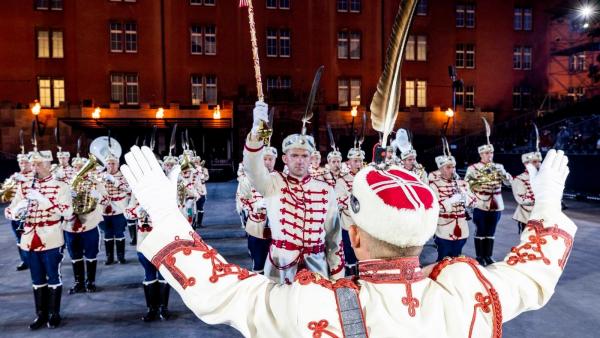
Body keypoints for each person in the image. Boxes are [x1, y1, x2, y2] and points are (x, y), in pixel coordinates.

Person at [123, 146, 575, 338]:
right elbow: (533, 273)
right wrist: (548, 211)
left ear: (353, 235)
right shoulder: (472, 295)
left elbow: (222, 293)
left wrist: (166, 215)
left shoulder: (318, 308)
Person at [239, 101, 344, 283]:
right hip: (280, 266)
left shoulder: (325, 190)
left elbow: (334, 238)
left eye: (304, 156)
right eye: (294, 155)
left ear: (311, 158)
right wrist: (256, 132)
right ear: (285, 158)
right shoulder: (272, 183)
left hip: (317, 267)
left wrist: (337, 277)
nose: (300, 161)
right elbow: (252, 168)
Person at [6, 150, 73, 329]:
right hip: (29, 237)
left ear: (49, 164)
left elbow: (67, 212)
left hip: (51, 236)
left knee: (53, 275)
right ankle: (41, 314)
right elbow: (9, 211)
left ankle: (54, 313)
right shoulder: (24, 186)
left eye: (39, 164)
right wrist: (16, 211)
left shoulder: (61, 186)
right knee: (36, 278)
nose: (35, 167)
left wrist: (43, 200)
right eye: (33, 164)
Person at [465, 141, 512, 266]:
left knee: (491, 231)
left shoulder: (499, 167)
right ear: (481, 154)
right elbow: (467, 186)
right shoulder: (473, 168)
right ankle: (480, 256)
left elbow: (507, 184)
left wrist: (506, 176)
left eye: (491, 152)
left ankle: (488, 256)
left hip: (496, 204)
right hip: (481, 203)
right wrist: (471, 201)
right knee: (481, 230)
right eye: (486, 153)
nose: (489, 155)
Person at [125, 195, 171, 322]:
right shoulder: (137, 193)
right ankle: (151, 308)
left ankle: (163, 308)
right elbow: (128, 214)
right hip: (144, 241)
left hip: (163, 240)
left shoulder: (165, 191)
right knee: (149, 275)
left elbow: (176, 213)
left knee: (164, 275)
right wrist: (137, 210)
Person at [64, 162, 106, 294]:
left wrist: (98, 196)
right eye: (77, 167)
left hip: (90, 223)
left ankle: (91, 282)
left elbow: (107, 200)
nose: (80, 170)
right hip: (71, 225)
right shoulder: (66, 183)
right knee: (74, 254)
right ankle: (78, 283)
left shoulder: (95, 183)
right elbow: (58, 204)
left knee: (91, 254)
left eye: (83, 166)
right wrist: (67, 196)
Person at [236, 147, 277, 274]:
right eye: (264, 159)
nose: (268, 162)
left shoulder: (280, 178)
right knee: (259, 263)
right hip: (257, 226)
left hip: (277, 228)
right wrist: (255, 204)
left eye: (270, 159)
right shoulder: (249, 178)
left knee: (276, 266)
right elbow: (242, 197)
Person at [428, 147, 469, 261]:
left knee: (457, 257)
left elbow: (474, 201)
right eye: (448, 167)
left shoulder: (461, 183)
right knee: (443, 258)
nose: (453, 170)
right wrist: (451, 200)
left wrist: (466, 199)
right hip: (444, 228)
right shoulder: (434, 185)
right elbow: (436, 207)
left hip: (462, 227)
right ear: (441, 169)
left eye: (453, 167)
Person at [334, 146, 364, 275]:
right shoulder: (342, 180)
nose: (358, 164)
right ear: (349, 162)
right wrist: (357, 200)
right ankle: (351, 280)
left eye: (360, 160)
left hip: (365, 224)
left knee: (364, 254)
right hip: (348, 224)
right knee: (350, 254)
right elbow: (338, 200)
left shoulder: (367, 178)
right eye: (355, 161)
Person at [2, 152, 34, 270]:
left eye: (26, 162)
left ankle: (34, 260)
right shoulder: (14, 177)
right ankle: (24, 260)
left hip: (29, 213)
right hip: (15, 213)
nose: (23, 165)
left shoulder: (35, 176)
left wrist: (24, 180)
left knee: (30, 238)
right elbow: (6, 197)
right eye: (21, 162)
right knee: (19, 239)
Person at [99, 152, 131, 265]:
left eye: (113, 163)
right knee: (107, 233)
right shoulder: (100, 176)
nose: (110, 166)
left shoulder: (124, 176)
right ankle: (109, 257)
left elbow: (128, 189)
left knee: (119, 233)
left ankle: (121, 256)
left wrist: (114, 181)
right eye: (108, 164)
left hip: (119, 209)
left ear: (117, 164)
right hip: (104, 209)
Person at [511, 151, 542, 234]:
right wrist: (540, 200)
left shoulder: (543, 178)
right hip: (527, 215)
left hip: (543, 215)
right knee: (529, 241)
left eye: (539, 161)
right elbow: (521, 198)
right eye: (535, 162)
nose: (538, 164)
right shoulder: (519, 179)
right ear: (526, 164)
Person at [192, 154, 209, 228]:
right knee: (192, 207)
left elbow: (206, 178)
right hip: (192, 190)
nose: (196, 163)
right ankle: (192, 222)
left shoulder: (204, 169)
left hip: (201, 190)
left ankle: (199, 222)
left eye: (197, 162)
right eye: (194, 162)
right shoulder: (191, 170)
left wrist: (202, 174)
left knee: (200, 207)